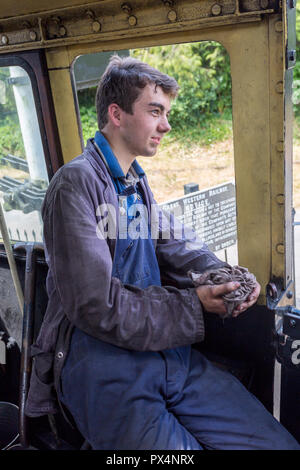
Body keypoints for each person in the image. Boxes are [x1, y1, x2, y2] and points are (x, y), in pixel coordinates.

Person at [25, 55, 300, 450]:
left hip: (169, 356)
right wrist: (194, 306)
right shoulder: (76, 185)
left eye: (166, 113)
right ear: (117, 114)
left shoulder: (136, 184)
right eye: (155, 111)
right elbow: (94, 305)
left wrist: (226, 277)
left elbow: (177, 243)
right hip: (106, 367)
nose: (166, 125)